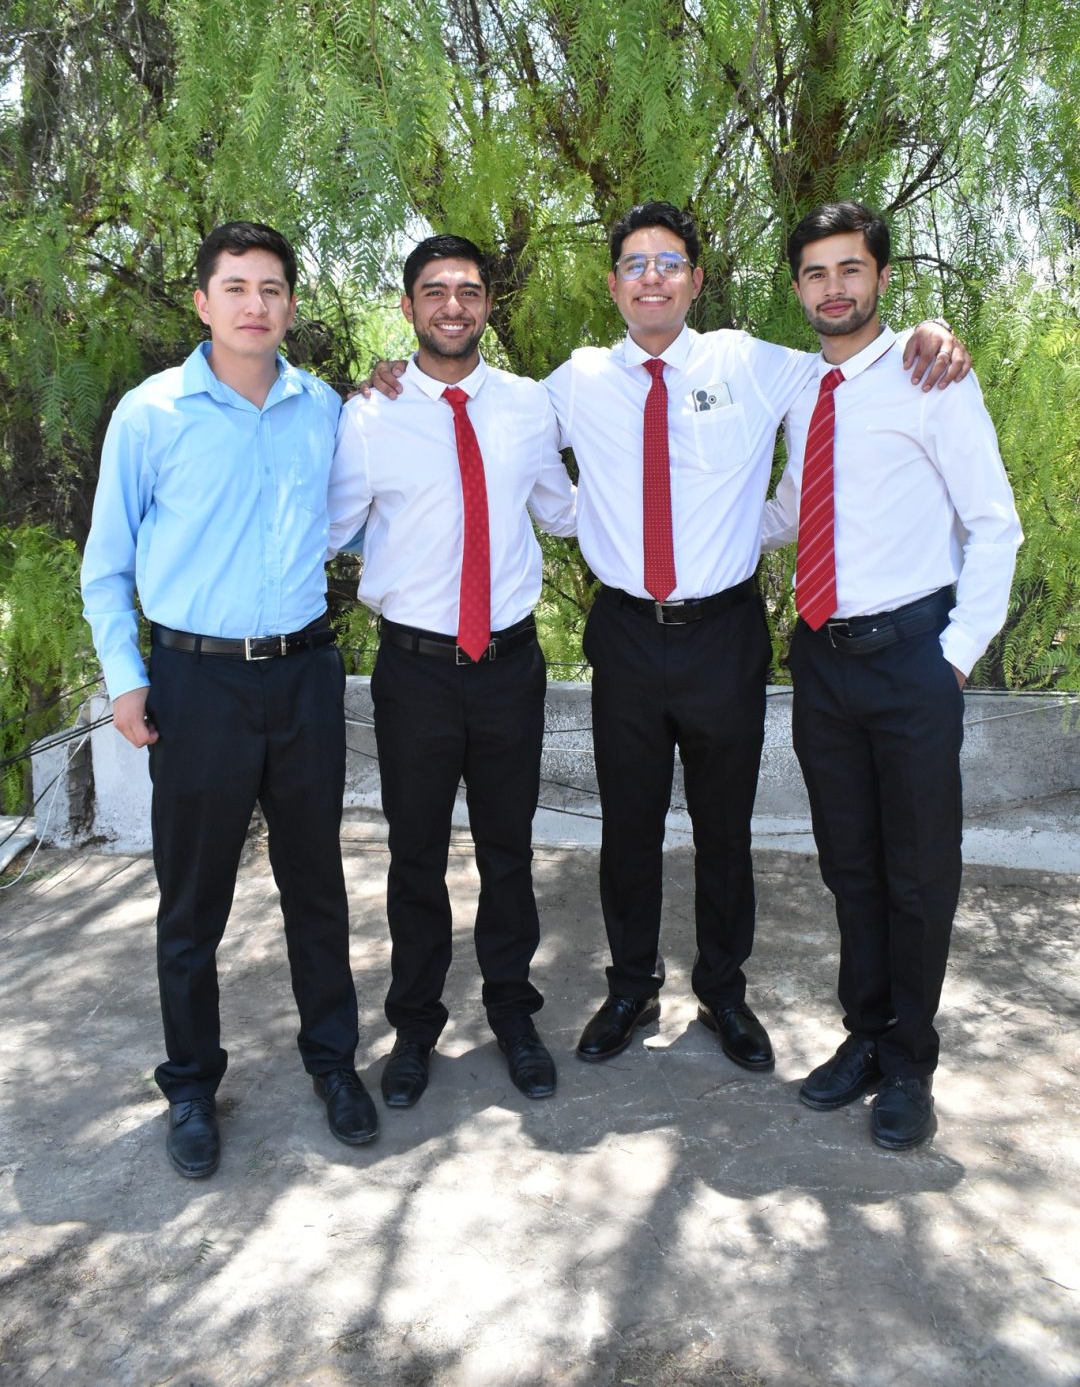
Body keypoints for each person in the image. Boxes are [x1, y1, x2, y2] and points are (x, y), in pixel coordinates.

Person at [366, 201, 968, 1077]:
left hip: (724, 633)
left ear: (695, 280)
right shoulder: (573, 382)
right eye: (635, 265)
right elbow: (486, 414)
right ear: (614, 285)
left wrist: (927, 332)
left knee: (725, 828)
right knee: (629, 825)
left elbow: (852, 359)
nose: (652, 278)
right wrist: (392, 376)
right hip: (627, 635)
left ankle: (723, 989)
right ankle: (631, 985)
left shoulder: (751, 363)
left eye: (670, 263)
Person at [81, 221, 374, 1179]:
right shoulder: (151, 414)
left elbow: (358, 516)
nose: (256, 304)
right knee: (193, 899)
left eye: (272, 289)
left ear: (290, 305)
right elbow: (106, 564)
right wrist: (127, 677)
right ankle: (192, 1087)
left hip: (303, 673)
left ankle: (334, 1063)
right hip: (196, 681)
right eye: (237, 287)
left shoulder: (322, 407)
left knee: (315, 885)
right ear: (203, 301)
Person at [762, 201, 1021, 1149]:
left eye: (850, 269)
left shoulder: (930, 376)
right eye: (816, 273)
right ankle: (865, 1036)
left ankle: (911, 1063)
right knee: (850, 866)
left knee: (918, 873)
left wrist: (955, 656)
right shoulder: (802, 392)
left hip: (914, 658)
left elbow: (994, 523)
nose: (834, 288)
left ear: (879, 276)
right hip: (822, 660)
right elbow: (790, 510)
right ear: (799, 288)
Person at [326, 235, 577, 1109]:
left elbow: (562, 509)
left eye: (468, 290)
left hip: (510, 666)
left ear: (488, 305)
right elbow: (327, 528)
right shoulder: (370, 416)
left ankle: (513, 1013)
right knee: (415, 856)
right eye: (434, 291)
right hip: (417, 671)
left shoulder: (528, 405)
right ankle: (415, 1026)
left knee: (509, 851)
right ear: (408, 308)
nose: (452, 305)